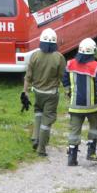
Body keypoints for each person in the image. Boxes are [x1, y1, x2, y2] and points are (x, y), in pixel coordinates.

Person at [62, 38, 97, 166]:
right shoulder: (96, 67)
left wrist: (68, 91)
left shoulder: (70, 64)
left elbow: (65, 80)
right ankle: (91, 152)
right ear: (93, 51)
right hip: (92, 107)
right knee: (95, 126)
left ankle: (72, 157)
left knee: (74, 131)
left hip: (75, 106)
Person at [23, 28, 67, 157]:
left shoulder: (34, 55)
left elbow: (28, 76)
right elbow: (63, 77)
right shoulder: (59, 57)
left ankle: (35, 137)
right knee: (47, 120)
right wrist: (69, 91)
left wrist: (25, 92)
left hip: (37, 92)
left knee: (38, 113)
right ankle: (41, 149)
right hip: (51, 94)